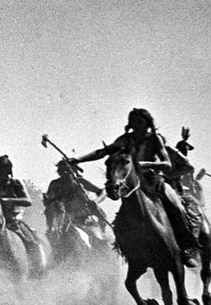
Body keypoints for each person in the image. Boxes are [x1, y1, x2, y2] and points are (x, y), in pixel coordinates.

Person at [69, 108, 200, 267]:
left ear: (147, 122)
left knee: (176, 207)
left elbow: (167, 163)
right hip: (133, 185)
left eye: (140, 121)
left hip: (154, 182)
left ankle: (185, 248)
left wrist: (146, 164)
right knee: (121, 221)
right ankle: (129, 252)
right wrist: (78, 159)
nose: (137, 125)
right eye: (134, 121)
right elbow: (103, 152)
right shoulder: (125, 140)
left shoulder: (154, 139)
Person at [0, 155, 44, 273]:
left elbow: (28, 201)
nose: (0, 173)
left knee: (31, 244)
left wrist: (9, 200)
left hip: (14, 222)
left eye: (2, 170)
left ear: (8, 170)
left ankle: (37, 272)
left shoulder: (15, 184)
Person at [43, 159, 106, 234]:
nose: (64, 172)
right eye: (62, 170)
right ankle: (51, 231)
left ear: (73, 170)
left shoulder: (80, 182)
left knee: (100, 225)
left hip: (87, 211)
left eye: (67, 170)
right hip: (69, 215)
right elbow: (49, 204)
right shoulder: (55, 184)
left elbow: (102, 192)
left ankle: (103, 234)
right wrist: (49, 201)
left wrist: (96, 201)